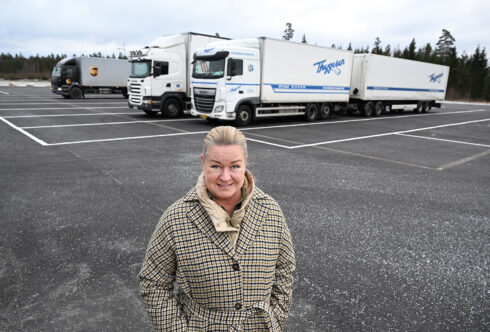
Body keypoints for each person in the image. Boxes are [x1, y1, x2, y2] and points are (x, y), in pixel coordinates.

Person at [139, 126, 296, 331]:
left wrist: (276, 318)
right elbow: (153, 282)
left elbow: (285, 270)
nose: (225, 177)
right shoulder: (176, 218)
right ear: (202, 162)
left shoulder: (270, 210)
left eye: (234, 166)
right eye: (215, 166)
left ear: (245, 163)